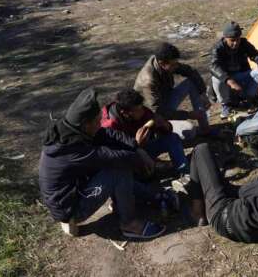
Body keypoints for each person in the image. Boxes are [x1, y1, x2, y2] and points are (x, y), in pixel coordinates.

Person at [38, 88, 166, 239]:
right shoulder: (69, 149)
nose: (101, 124)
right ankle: (130, 224)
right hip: (70, 207)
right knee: (118, 169)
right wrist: (139, 159)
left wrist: (136, 147)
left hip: (69, 193)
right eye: (98, 122)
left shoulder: (70, 130)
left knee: (115, 164)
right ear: (86, 124)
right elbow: (111, 157)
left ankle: (148, 196)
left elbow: (108, 134)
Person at [101, 89, 188, 177]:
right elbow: (115, 157)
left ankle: (184, 172)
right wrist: (136, 145)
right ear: (125, 113)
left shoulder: (142, 111)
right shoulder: (109, 126)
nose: (142, 111)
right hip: (127, 160)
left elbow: (165, 131)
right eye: (138, 110)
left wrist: (164, 125)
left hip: (144, 149)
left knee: (172, 138)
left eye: (142, 107)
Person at [134, 42, 212, 137]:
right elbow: (159, 112)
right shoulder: (148, 81)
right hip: (152, 115)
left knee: (192, 82)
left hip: (165, 100)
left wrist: (202, 94)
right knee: (190, 130)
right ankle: (160, 133)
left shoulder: (164, 61)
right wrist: (188, 115)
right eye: (174, 64)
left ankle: (205, 129)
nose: (176, 66)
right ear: (162, 63)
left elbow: (190, 71)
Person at [210, 21, 258, 119]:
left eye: (238, 39)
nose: (236, 43)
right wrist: (231, 82)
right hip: (228, 80)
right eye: (232, 40)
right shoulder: (218, 48)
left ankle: (251, 98)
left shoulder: (244, 43)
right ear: (225, 38)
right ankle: (227, 105)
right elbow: (214, 66)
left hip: (242, 75)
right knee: (216, 79)